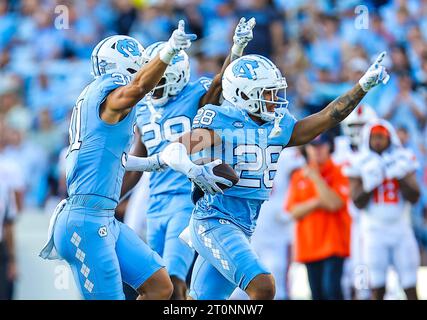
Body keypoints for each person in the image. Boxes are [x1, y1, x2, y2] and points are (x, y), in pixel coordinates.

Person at [158, 52, 389, 299]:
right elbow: (176, 148)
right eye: (266, 92)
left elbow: (327, 117)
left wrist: (362, 87)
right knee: (263, 286)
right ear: (243, 94)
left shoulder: (276, 128)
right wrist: (193, 168)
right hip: (213, 220)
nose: (274, 99)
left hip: (244, 225)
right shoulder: (221, 121)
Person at [39, 21, 197, 300]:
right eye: (140, 66)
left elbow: (114, 159)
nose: (147, 73)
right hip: (85, 219)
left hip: (103, 217)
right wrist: (170, 50)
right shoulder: (110, 95)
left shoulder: (98, 103)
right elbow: (136, 88)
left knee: (160, 286)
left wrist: (157, 161)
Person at [120, 17, 256, 300]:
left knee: (173, 279)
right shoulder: (144, 109)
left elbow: (219, 84)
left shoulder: (195, 95)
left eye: (160, 81)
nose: (153, 88)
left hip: (186, 200)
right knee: (151, 285)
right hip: (155, 204)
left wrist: (237, 47)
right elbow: (136, 165)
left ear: (178, 75)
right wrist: (108, 199)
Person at [346, 119, 421, 300]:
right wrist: (372, 181)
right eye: (374, 137)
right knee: (377, 285)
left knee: (410, 283)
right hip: (374, 231)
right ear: (367, 139)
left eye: (381, 136)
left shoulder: (402, 158)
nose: (378, 141)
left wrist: (398, 175)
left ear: (390, 138)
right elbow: (357, 201)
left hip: (401, 229)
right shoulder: (359, 160)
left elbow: (415, 196)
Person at [286, 133, 351, 300]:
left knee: (332, 291)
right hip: (309, 245)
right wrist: (317, 202)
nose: (317, 150)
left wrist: (316, 178)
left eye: (321, 145)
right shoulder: (298, 176)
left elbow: (335, 204)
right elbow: (293, 211)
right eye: (313, 146)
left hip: (334, 244)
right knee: (317, 294)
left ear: (329, 146)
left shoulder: (339, 170)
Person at [334, 104, 378, 299]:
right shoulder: (338, 150)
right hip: (340, 222)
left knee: (368, 275)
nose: (359, 132)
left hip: (370, 221)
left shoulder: (379, 151)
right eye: (355, 126)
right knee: (344, 279)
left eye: (364, 126)